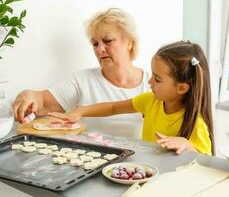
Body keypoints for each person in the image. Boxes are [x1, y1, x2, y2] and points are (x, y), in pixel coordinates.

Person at [48, 40, 214, 155]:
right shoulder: (151, 101)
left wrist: (187, 145)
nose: (149, 81)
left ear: (182, 88)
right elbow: (113, 108)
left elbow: (207, 163)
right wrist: (80, 111)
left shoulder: (196, 124)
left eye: (157, 79)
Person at [12, 8, 149, 138]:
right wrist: (28, 96)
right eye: (95, 44)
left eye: (108, 41)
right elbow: (41, 100)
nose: (100, 49)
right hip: (92, 160)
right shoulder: (81, 80)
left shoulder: (153, 84)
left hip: (138, 162)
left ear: (130, 43)